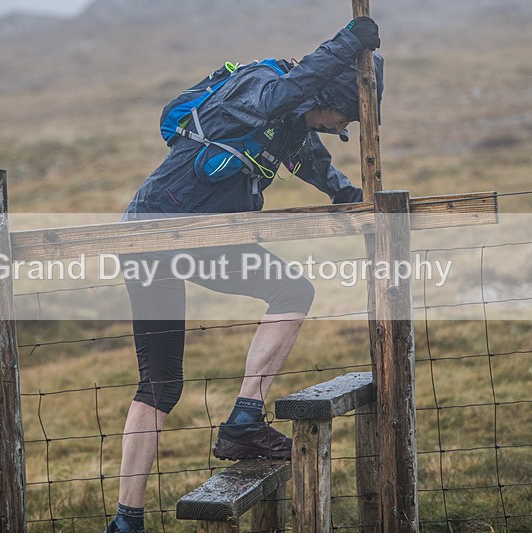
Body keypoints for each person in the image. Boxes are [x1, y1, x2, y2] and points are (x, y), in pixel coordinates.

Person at [105, 17, 383, 533]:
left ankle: (240, 424)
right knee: (163, 383)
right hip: (158, 234)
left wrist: (352, 198)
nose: (339, 128)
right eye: (342, 116)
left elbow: (314, 163)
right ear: (325, 93)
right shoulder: (262, 86)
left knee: (288, 292)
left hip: (181, 235)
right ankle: (132, 516)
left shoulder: (291, 122)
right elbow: (286, 94)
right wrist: (345, 44)